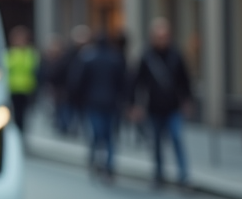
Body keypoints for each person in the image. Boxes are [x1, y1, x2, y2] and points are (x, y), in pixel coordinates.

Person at [130, 17, 194, 188]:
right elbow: (137, 82)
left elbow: (185, 80)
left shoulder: (176, 55)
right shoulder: (146, 56)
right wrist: (136, 105)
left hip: (173, 107)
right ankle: (158, 174)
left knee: (177, 139)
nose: (162, 39)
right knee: (157, 142)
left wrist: (187, 101)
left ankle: (183, 176)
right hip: (154, 107)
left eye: (165, 35)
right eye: (159, 36)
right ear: (152, 37)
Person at [69, 30, 126, 182]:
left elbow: (78, 81)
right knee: (109, 137)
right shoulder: (115, 58)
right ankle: (108, 165)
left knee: (96, 134)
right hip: (111, 103)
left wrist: (78, 99)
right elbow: (123, 82)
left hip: (93, 102)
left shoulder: (88, 58)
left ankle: (94, 161)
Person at [5, 25, 38, 133]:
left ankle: (20, 131)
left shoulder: (30, 53)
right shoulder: (9, 53)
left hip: (26, 88)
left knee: (23, 114)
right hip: (12, 87)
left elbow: (33, 67)